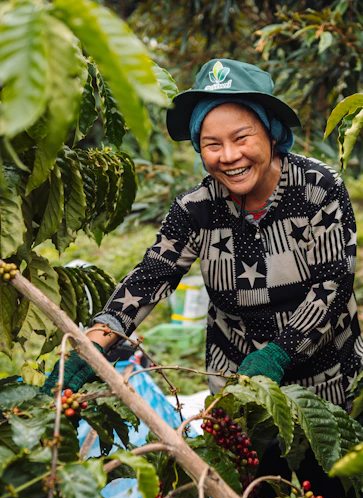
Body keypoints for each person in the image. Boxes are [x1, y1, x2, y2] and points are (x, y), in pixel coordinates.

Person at [41, 58, 363, 411]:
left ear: (271, 132)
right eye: (212, 144)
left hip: (328, 381)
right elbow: (151, 277)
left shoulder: (318, 189)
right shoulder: (196, 208)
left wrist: (279, 353)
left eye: (242, 138)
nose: (229, 156)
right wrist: (92, 345)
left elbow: (334, 283)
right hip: (236, 385)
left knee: (330, 462)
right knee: (244, 464)